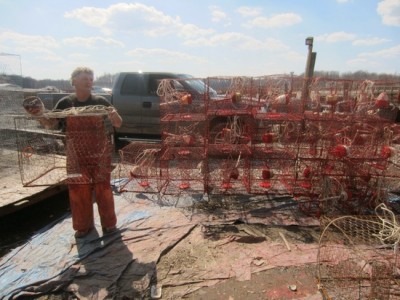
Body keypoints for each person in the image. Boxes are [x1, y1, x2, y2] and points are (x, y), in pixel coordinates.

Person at [36, 67, 122, 238]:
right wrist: (38, 113)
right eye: (85, 79)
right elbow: (49, 123)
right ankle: (83, 226)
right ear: (74, 80)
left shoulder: (100, 101)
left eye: (91, 79)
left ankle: (109, 224)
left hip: (99, 153)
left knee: (103, 189)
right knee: (78, 190)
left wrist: (113, 115)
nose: (90, 82)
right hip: (76, 154)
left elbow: (118, 123)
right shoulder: (65, 103)